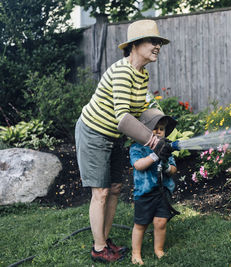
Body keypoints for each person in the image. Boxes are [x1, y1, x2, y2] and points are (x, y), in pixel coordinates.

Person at [75, 20, 173, 263]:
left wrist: (164, 133)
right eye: (153, 41)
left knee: (116, 188)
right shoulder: (122, 71)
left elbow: (145, 108)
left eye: (159, 42)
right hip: (94, 131)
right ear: (135, 45)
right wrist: (153, 142)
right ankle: (99, 249)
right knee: (100, 191)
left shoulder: (142, 75)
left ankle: (105, 240)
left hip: (113, 136)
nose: (158, 46)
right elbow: (123, 117)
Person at [129, 108, 178, 265]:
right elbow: (138, 165)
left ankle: (159, 249)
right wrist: (154, 155)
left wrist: (165, 164)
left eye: (161, 129)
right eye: (154, 128)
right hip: (144, 193)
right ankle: (135, 253)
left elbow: (173, 169)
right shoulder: (137, 148)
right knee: (141, 224)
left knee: (160, 222)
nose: (158, 132)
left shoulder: (166, 148)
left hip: (162, 193)